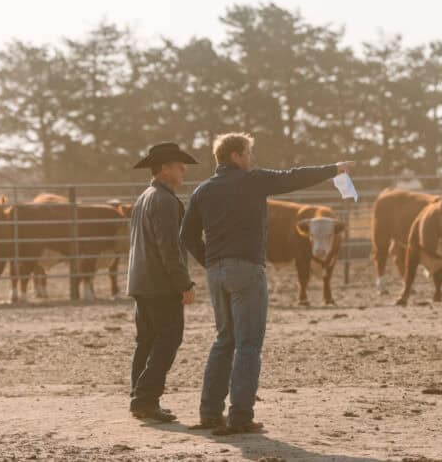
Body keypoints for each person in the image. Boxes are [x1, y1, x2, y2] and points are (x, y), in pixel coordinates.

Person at [180, 132, 355, 435]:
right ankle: (240, 416)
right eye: (247, 153)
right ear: (236, 155)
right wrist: (334, 168)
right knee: (248, 344)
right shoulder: (253, 180)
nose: (250, 159)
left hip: (216, 272)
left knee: (224, 340)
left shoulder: (202, 190)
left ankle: (209, 412)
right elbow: (292, 178)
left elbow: (186, 235)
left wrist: (209, 260)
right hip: (247, 268)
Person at [126, 142, 199, 422]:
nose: (183, 169)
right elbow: (169, 248)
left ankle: (140, 398)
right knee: (169, 338)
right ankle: (145, 398)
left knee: (145, 341)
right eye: (179, 165)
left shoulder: (145, 196)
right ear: (165, 168)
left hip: (141, 281)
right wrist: (184, 283)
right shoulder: (165, 201)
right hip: (160, 284)